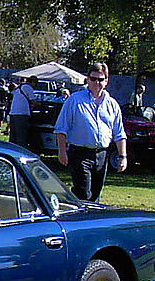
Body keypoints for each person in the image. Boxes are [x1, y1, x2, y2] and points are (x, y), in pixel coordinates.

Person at [54, 62, 127, 202]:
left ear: (106, 81)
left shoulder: (112, 104)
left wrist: (122, 156)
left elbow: (119, 133)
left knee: (96, 195)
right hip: (80, 153)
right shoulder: (75, 100)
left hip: (102, 154)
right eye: (93, 79)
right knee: (83, 193)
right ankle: (79, 220)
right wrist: (62, 152)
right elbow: (61, 129)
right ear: (88, 79)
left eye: (100, 79)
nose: (96, 83)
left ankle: (91, 221)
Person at [8, 75, 36, 147]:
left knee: (13, 136)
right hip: (21, 114)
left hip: (13, 113)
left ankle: (12, 149)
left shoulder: (19, 87)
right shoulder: (28, 87)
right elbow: (33, 101)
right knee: (21, 136)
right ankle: (21, 151)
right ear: (32, 82)